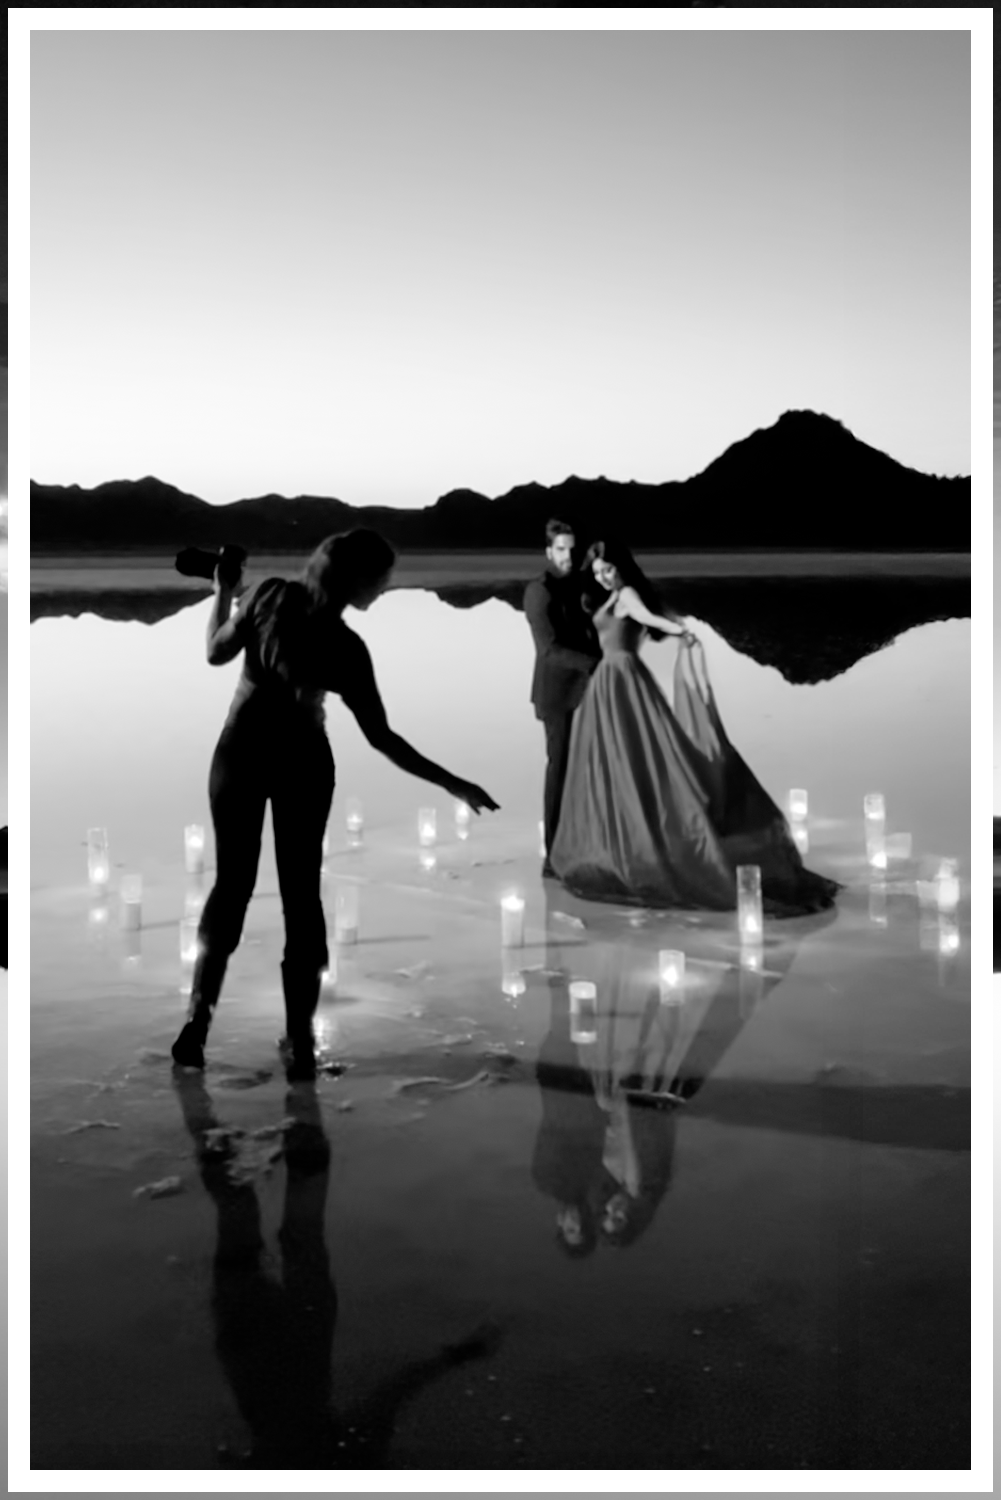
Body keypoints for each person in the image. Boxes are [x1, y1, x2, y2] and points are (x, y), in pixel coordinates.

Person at [171, 529, 499, 1081]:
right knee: (301, 896)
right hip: (300, 762)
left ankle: (196, 1026)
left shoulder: (268, 597)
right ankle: (300, 1041)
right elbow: (382, 738)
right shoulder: (346, 649)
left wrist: (222, 593)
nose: (387, 586)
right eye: (382, 578)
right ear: (356, 581)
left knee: (232, 886)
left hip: (240, 754)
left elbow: (214, 652)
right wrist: (452, 782)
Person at [549, 538, 841, 916]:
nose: (604, 577)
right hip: (606, 685)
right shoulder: (610, 597)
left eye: (609, 569)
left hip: (621, 681)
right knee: (615, 765)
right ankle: (620, 840)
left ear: (623, 567)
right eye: (598, 572)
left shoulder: (628, 595)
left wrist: (679, 631)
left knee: (636, 761)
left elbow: (648, 620)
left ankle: (648, 842)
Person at [523, 519, 601, 878]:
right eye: (560, 549)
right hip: (557, 694)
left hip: (587, 690)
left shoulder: (580, 587)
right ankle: (553, 856)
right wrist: (596, 664)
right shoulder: (539, 591)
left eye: (572, 549)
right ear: (548, 552)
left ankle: (585, 841)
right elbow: (549, 648)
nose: (567, 555)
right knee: (560, 770)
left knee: (586, 769)